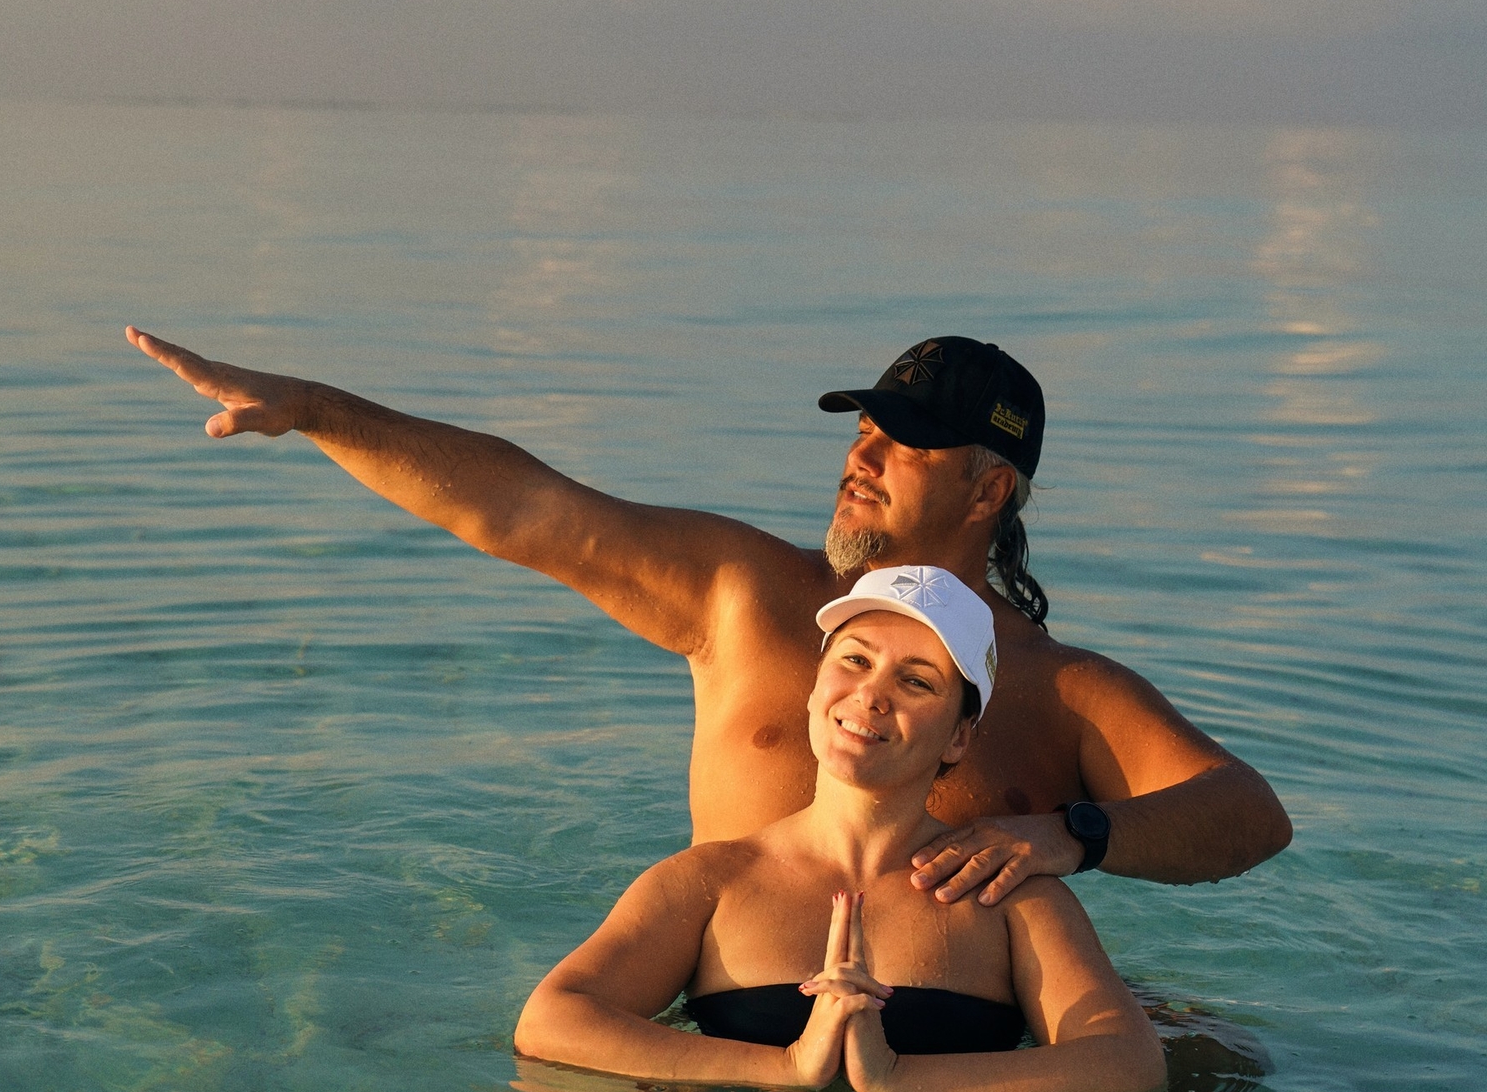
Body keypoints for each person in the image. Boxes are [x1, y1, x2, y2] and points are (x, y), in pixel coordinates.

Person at [125, 324, 1290, 900]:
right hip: (737, 1035)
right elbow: (524, 508)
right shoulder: (747, 596)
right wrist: (317, 409)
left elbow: (1246, 814)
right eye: (861, 429)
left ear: (989, 492)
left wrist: (1070, 836)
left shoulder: (1056, 688)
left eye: (903, 443)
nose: (861, 454)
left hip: (964, 1065)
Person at [515, 567, 1166, 1092]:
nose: (872, 695)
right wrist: (789, 1067)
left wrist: (897, 1078)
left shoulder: (1006, 895)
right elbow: (552, 1021)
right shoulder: (711, 882)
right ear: (814, 688)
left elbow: (1131, 1063)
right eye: (854, 660)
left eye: (916, 681)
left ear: (958, 737)